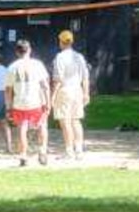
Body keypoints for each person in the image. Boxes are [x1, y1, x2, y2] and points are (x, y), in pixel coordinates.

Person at [6, 39, 51, 167]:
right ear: (29, 50)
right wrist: (48, 102)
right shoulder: (37, 64)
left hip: (19, 101)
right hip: (35, 101)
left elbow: (8, 89)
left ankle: (23, 155)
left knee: (22, 128)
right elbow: (45, 85)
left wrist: (8, 106)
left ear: (17, 52)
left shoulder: (12, 67)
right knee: (42, 125)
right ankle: (42, 151)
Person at [51, 30, 90, 160]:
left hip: (65, 90)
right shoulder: (79, 57)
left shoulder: (60, 57)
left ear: (61, 42)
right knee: (76, 120)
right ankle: (79, 150)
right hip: (77, 90)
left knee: (65, 121)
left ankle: (69, 151)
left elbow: (58, 79)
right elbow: (85, 77)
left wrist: (52, 96)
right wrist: (86, 93)